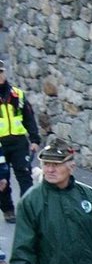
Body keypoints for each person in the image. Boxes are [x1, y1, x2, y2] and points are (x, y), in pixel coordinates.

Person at [0, 58, 42, 224]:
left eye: (0, 72)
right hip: (0, 145)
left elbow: (29, 118)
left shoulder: (17, 94)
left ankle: (27, 211)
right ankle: (8, 209)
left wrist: (34, 139)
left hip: (18, 142)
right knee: (2, 180)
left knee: (25, 176)